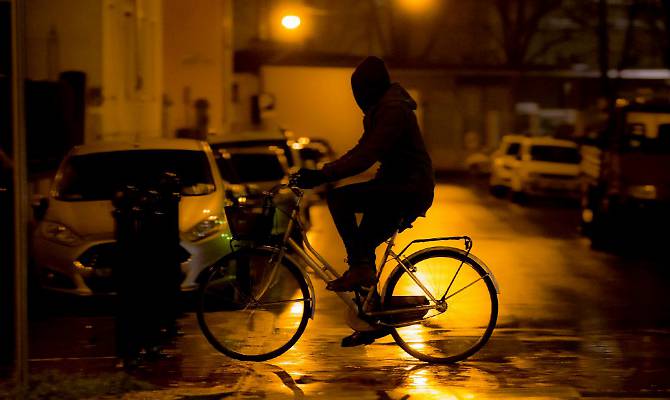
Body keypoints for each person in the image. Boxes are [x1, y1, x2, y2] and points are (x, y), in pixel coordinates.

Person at [295, 56, 435, 346]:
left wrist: (323, 176)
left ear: (367, 89)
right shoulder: (381, 109)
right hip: (396, 185)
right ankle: (372, 317)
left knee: (339, 199)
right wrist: (324, 172)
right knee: (362, 245)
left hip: (408, 188)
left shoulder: (393, 111)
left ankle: (360, 271)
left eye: (358, 91)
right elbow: (361, 150)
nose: (357, 98)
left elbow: (367, 155)